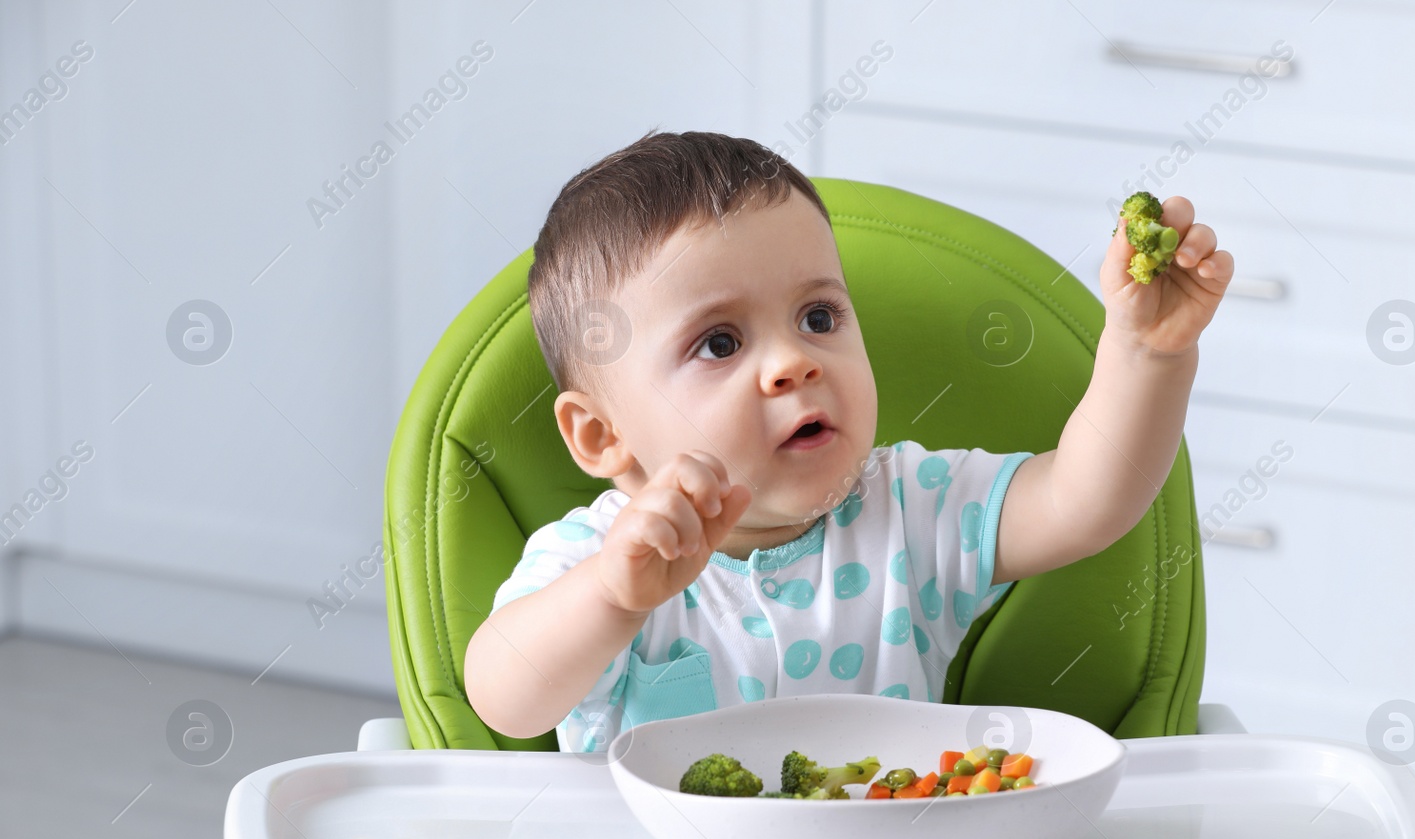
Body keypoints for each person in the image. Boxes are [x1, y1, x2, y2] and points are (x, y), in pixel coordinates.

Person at [463, 129, 1231, 752]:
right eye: (721, 343)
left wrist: (1147, 353)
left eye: (819, 318)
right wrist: (610, 596)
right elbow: (505, 699)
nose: (796, 361)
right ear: (603, 436)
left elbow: (1085, 499)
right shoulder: (600, 560)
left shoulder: (910, 511)